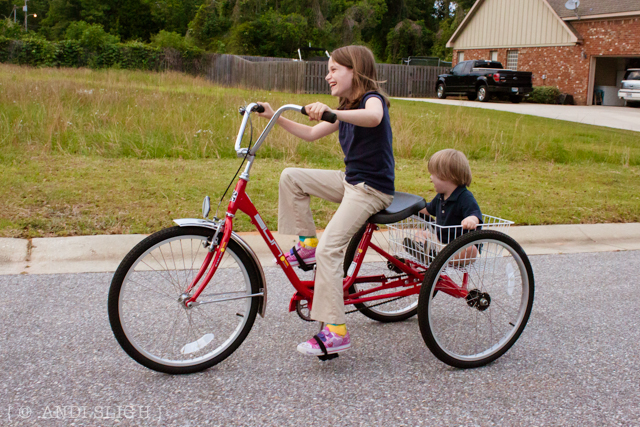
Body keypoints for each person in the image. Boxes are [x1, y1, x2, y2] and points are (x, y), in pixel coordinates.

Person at [256, 45, 394, 357]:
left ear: (354, 70)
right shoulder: (346, 107)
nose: (327, 75)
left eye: (334, 69)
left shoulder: (372, 99)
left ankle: (336, 332)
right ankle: (306, 244)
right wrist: (274, 116)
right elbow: (310, 133)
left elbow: (373, 118)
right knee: (291, 176)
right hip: (351, 182)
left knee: (331, 250)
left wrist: (335, 113)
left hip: (372, 189)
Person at [409, 149, 482, 264]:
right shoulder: (440, 196)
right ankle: (423, 250)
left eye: (434, 174)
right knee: (421, 233)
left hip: (459, 245)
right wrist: (411, 208)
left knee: (470, 250)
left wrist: (471, 220)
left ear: (448, 176)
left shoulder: (464, 196)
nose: (431, 178)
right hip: (441, 241)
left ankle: (440, 260)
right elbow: (428, 210)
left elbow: (475, 214)